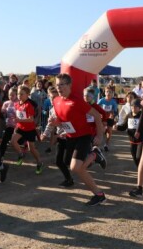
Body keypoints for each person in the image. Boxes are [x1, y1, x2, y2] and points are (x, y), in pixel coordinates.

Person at [50, 73, 107, 206]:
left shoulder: (77, 101)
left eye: (62, 84)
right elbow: (62, 121)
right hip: (70, 137)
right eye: (57, 85)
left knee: (76, 167)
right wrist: (56, 123)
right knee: (72, 165)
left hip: (83, 136)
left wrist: (99, 136)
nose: (59, 87)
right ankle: (94, 155)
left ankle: (99, 194)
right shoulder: (56, 101)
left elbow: (97, 116)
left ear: (70, 85)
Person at [11, 85, 44, 174]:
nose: (19, 96)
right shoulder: (17, 104)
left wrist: (19, 120)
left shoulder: (28, 105)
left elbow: (31, 119)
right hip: (20, 128)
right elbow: (18, 116)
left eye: (22, 94)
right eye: (18, 94)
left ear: (27, 95)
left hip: (29, 129)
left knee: (31, 149)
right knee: (13, 141)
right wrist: (16, 122)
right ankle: (21, 154)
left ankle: (39, 163)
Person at [116, 98, 143, 170]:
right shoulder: (129, 115)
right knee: (135, 158)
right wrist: (117, 127)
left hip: (141, 141)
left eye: (135, 107)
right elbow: (123, 127)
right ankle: (142, 171)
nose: (133, 109)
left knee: (139, 157)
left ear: (139, 108)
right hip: (132, 141)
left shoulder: (142, 116)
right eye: (132, 107)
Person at [97, 87, 118, 152]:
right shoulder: (101, 100)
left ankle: (106, 145)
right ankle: (98, 146)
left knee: (109, 132)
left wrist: (113, 115)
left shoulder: (113, 102)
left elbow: (115, 111)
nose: (108, 93)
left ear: (112, 94)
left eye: (110, 92)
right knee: (101, 132)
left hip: (110, 118)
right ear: (105, 93)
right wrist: (99, 114)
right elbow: (96, 108)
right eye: (107, 91)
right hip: (102, 118)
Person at [0, 88, 18, 159]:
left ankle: (21, 152)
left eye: (13, 95)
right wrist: (3, 111)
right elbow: (2, 112)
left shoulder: (19, 103)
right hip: (9, 125)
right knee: (4, 140)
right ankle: (1, 155)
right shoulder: (6, 103)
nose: (11, 96)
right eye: (10, 95)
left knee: (17, 141)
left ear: (16, 95)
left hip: (17, 126)